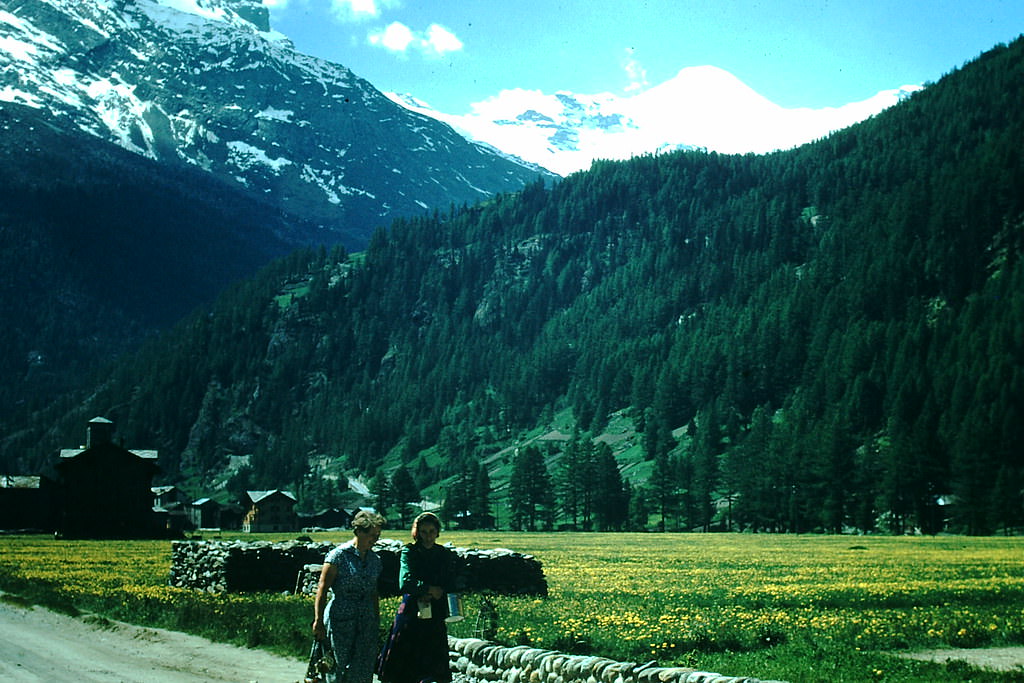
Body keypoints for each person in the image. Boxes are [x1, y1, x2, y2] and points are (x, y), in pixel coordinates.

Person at [377, 512, 459, 683]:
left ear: (437, 532)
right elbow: (405, 581)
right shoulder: (410, 552)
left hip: (434, 616)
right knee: (405, 667)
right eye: (423, 532)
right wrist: (428, 589)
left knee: (433, 666)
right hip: (412, 614)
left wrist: (442, 592)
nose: (428, 536)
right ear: (417, 533)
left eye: (431, 531)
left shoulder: (444, 554)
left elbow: (452, 581)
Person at [313, 510, 386, 683]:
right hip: (341, 620)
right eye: (371, 535)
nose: (375, 540)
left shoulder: (375, 560)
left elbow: (374, 592)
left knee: (362, 667)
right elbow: (322, 589)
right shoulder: (338, 556)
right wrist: (318, 621)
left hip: (366, 621)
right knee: (336, 666)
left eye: (378, 535)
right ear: (359, 531)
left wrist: (376, 620)